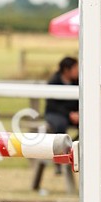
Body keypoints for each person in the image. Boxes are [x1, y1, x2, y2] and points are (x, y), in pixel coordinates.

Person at [31, 56, 79, 192]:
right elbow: (52, 105)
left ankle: (79, 149)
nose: (77, 71)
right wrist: (70, 114)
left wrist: (78, 113)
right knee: (60, 125)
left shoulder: (77, 82)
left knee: (86, 124)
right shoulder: (54, 81)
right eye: (75, 68)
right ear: (66, 70)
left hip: (72, 114)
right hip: (55, 114)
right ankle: (60, 157)